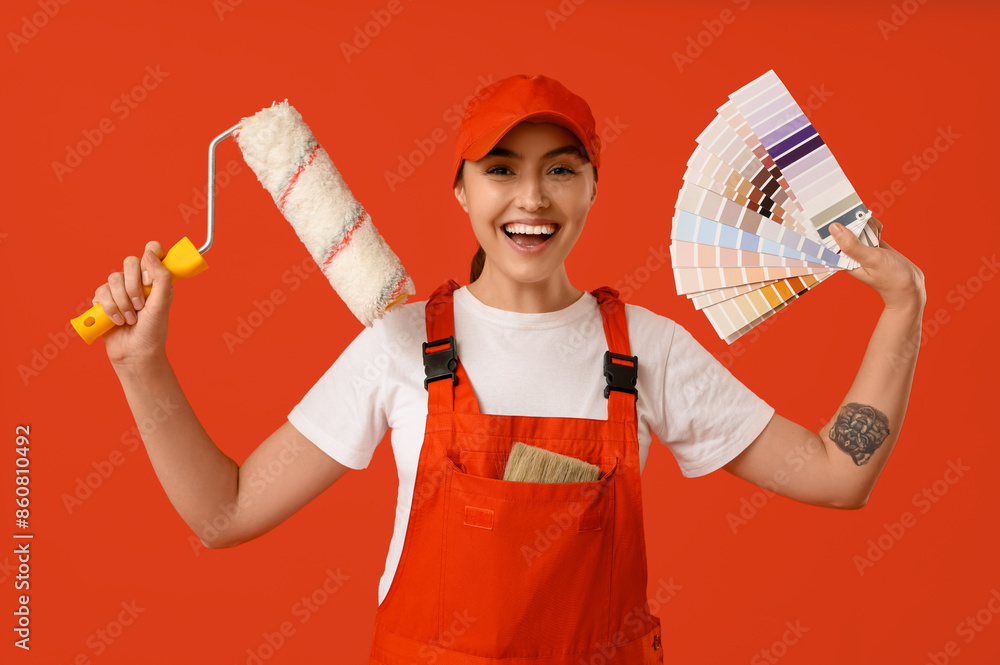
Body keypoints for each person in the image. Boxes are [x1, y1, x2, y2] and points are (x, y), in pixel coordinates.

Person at [93, 74, 925, 662]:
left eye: (560, 171)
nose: (532, 199)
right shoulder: (398, 346)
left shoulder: (649, 350)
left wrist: (901, 308)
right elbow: (225, 512)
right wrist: (144, 368)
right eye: (502, 171)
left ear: (594, 188)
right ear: (460, 191)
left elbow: (839, 473)